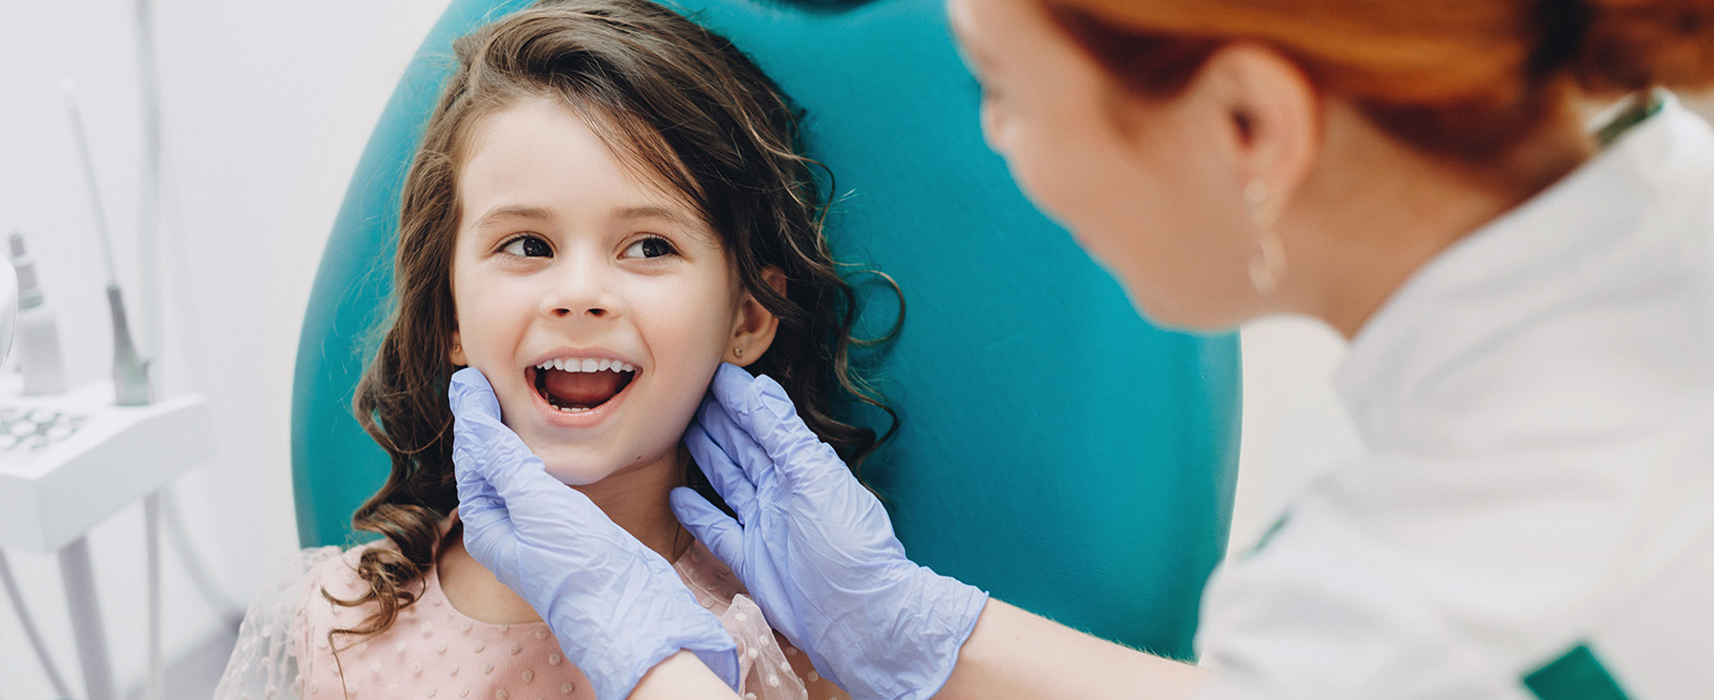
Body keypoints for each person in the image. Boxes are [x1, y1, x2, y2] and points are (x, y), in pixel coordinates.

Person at [448, 0, 1714, 698]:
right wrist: (920, 628)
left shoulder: (1415, 590)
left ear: (1247, 123)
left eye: (998, 86)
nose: (996, 146)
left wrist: (666, 671)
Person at [213, 1, 897, 698]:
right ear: (448, 314)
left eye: (649, 246)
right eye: (527, 245)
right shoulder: (341, 621)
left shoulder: (783, 636)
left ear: (746, 321)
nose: (578, 294)